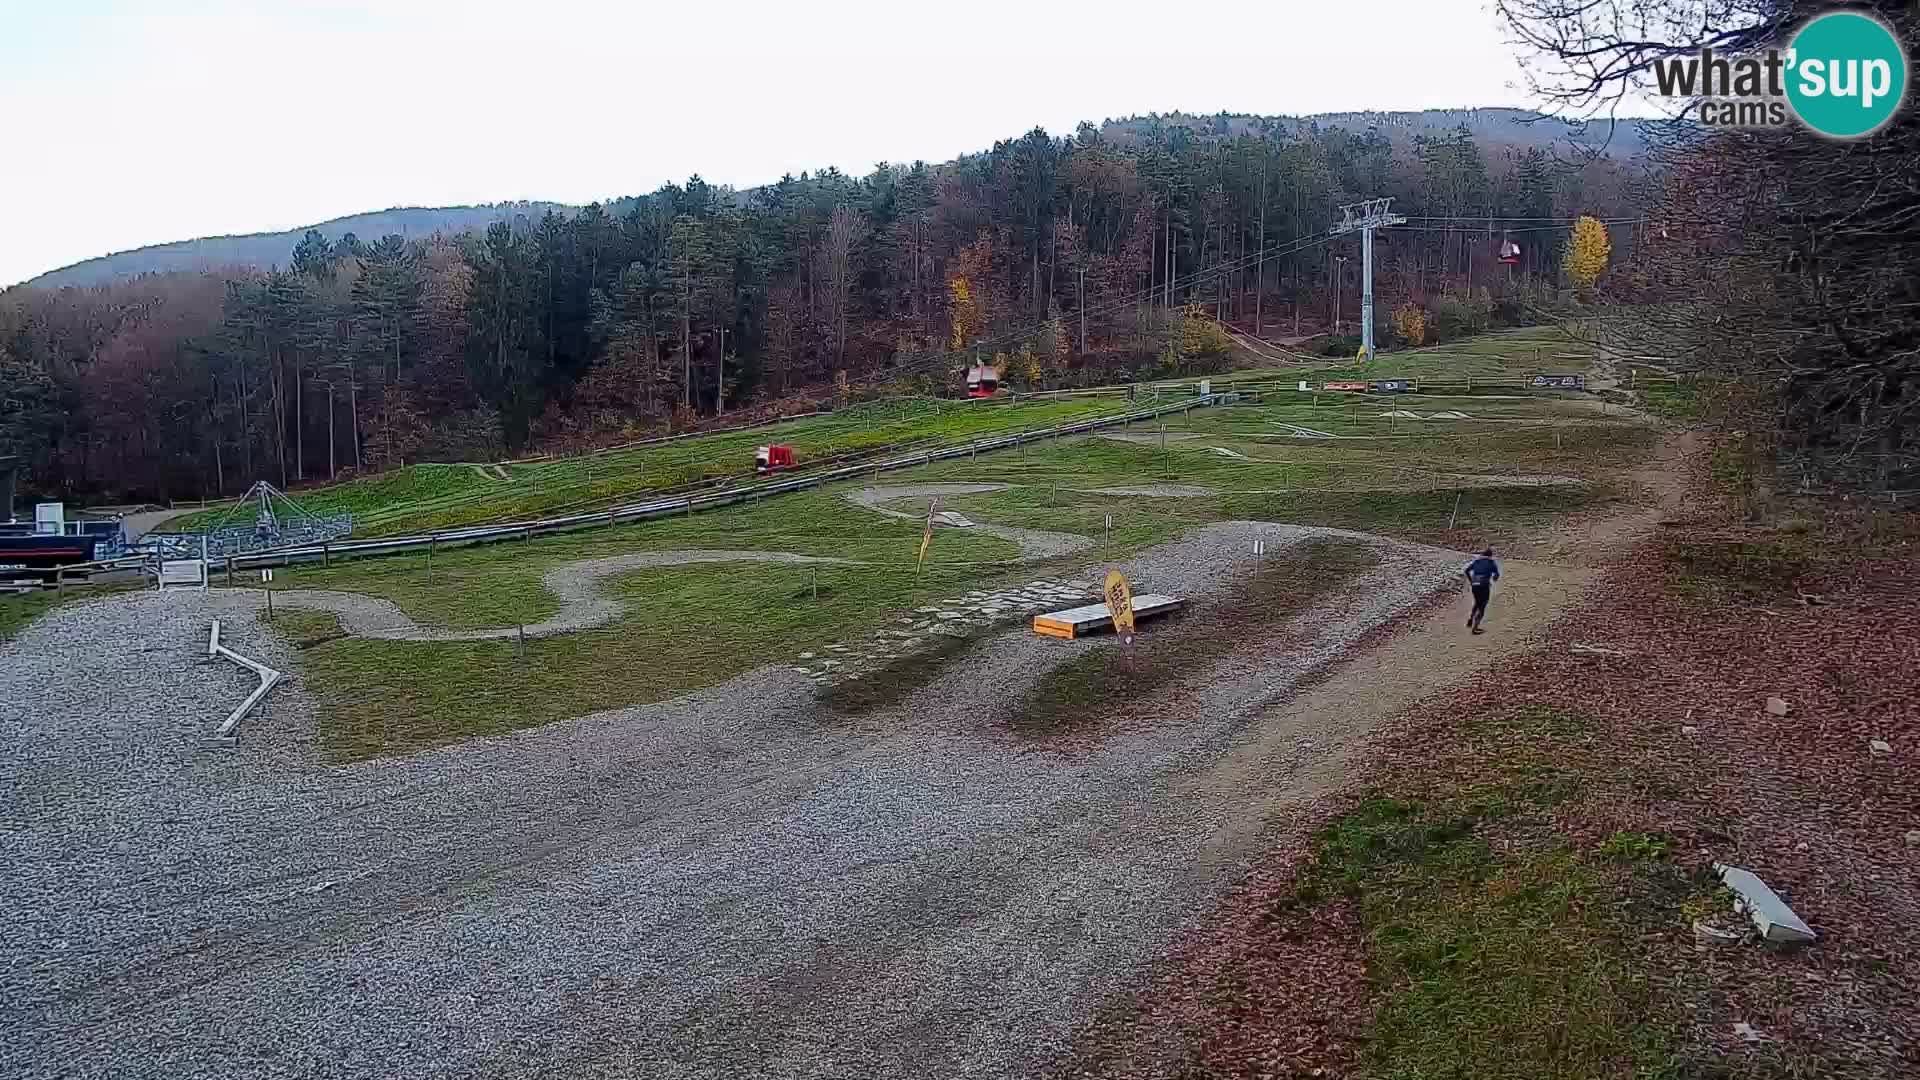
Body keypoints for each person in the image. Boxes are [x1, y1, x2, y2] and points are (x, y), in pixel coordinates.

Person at [1463, 547, 1500, 634]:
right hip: (1484, 585)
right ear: (1490, 555)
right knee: (1482, 606)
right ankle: (1475, 628)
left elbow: (1466, 570)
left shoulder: (1477, 561)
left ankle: (1471, 618)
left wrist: (1471, 581)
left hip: (1475, 585)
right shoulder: (1491, 563)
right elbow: (1496, 574)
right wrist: (1494, 578)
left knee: (1477, 602)